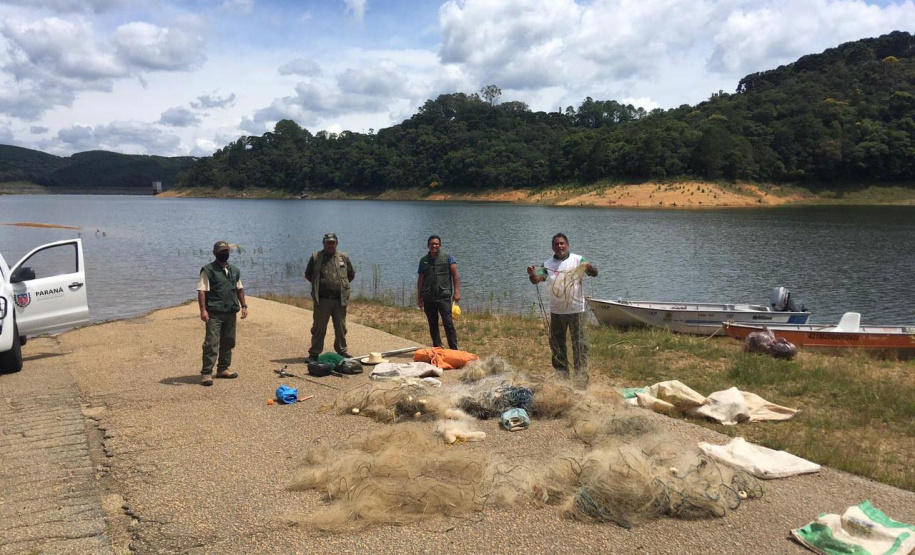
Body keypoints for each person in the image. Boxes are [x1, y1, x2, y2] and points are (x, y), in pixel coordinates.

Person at [527, 233, 598, 388]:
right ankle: (562, 378)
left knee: (580, 345)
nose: (560, 246)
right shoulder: (547, 264)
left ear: (567, 245)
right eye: (556, 244)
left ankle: (581, 381)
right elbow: (536, 280)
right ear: (552, 247)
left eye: (562, 243)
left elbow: (594, 273)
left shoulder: (579, 260)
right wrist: (532, 274)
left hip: (576, 310)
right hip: (557, 312)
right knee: (557, 345)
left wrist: (590, 267)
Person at [197, 241, 248, 386]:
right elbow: (202, 291)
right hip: (214, 313)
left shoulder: (234, 270)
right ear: (214, 253)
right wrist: (203, 310)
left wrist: (244, 305)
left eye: (226, 251)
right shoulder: (208, 270)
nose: (224, 253)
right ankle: (207, 373)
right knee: (211, 343)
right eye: (221, 251)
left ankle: (223, 369)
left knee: (229, 341)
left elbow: (239, 289)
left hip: (230, 312)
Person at [305, 232, 356, 360]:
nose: (330, 245)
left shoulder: (343, 257)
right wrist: (320, 284)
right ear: (324, 244)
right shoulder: (316, 257)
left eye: (332, 243)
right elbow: (308, 274)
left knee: (341, 328)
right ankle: (314, 353)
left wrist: (341, 286)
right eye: (328, 243)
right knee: (319, 328)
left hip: (339, 300)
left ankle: (342, 351)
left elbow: (351, 274)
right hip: (322, 300)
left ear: (337, 243)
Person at [417, 235, 461, 349]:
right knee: (433, 324)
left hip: (443, 296)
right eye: (432, 244)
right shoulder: (423, 261)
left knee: (448, 323)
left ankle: (454, 349)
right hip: (428, 297)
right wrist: (419, 297)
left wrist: (456, 292)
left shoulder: (448, 257)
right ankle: (438, 348)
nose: (434, 246)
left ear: (440, 245)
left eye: (436, 244)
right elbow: (420, 279)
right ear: (428, 246)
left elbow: (455, 275)